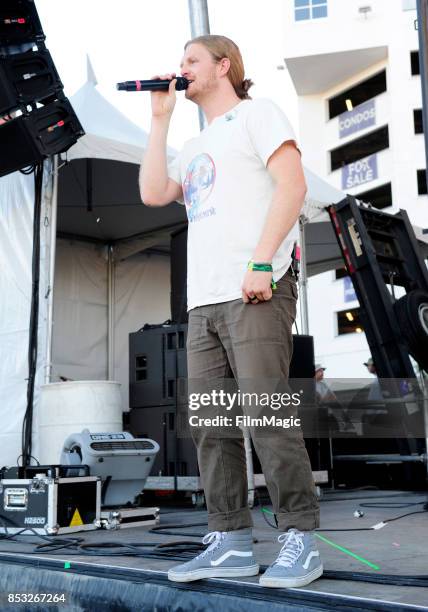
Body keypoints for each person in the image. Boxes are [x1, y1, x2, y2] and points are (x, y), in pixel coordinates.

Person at [139, 34, 322, 589]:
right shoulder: (194, 146)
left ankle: (300, 539)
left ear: (224, 66)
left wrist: (263, 263)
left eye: (191, 60)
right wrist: (160, 119)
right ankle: (231, 541)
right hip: (204, 302)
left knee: (266, 415)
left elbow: (292, 185)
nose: (181, 68)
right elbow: (152, 193)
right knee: (212, 426)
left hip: (255, 289)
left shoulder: (256, 115)